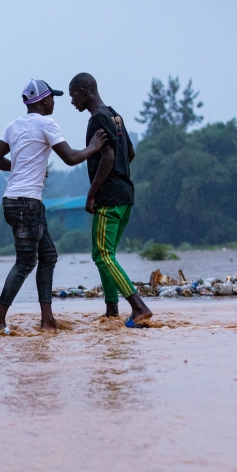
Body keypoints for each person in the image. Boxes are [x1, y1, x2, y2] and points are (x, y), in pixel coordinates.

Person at [0, 79, 107, 333]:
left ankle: (47, 320)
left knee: (48, 256)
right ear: (42, 101)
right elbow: (71, 158)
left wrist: (22, 167)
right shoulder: (46, 123)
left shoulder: (13, 125)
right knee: (25, 262)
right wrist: (93, 147)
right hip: (27, 203)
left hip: (14, 201)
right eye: (52, 98)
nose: (54, 102)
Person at [68, 73, 153, 326]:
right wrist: (119, 174)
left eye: (74, 96)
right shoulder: (115, 115)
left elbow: (107, 157)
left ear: (84, 91)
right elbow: (130, 152)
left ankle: (138, 307)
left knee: (103, 255)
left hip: (109, 198)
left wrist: (92, 194)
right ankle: (112, 311)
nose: (73, 103)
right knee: (105, 253)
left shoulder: (97, 120)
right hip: (126, 194)